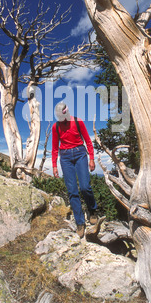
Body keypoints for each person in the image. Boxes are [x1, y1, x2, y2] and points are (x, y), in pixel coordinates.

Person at [52, 102, 98, 238]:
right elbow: (55, 147)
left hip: (80, 154)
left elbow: (88, 141)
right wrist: (54, 165)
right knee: (72, 191)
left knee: (85, 187)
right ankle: (80, 222)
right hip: (65, 157)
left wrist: (91, 158)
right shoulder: (56, 127)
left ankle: (92, 210)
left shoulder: (78, 122)